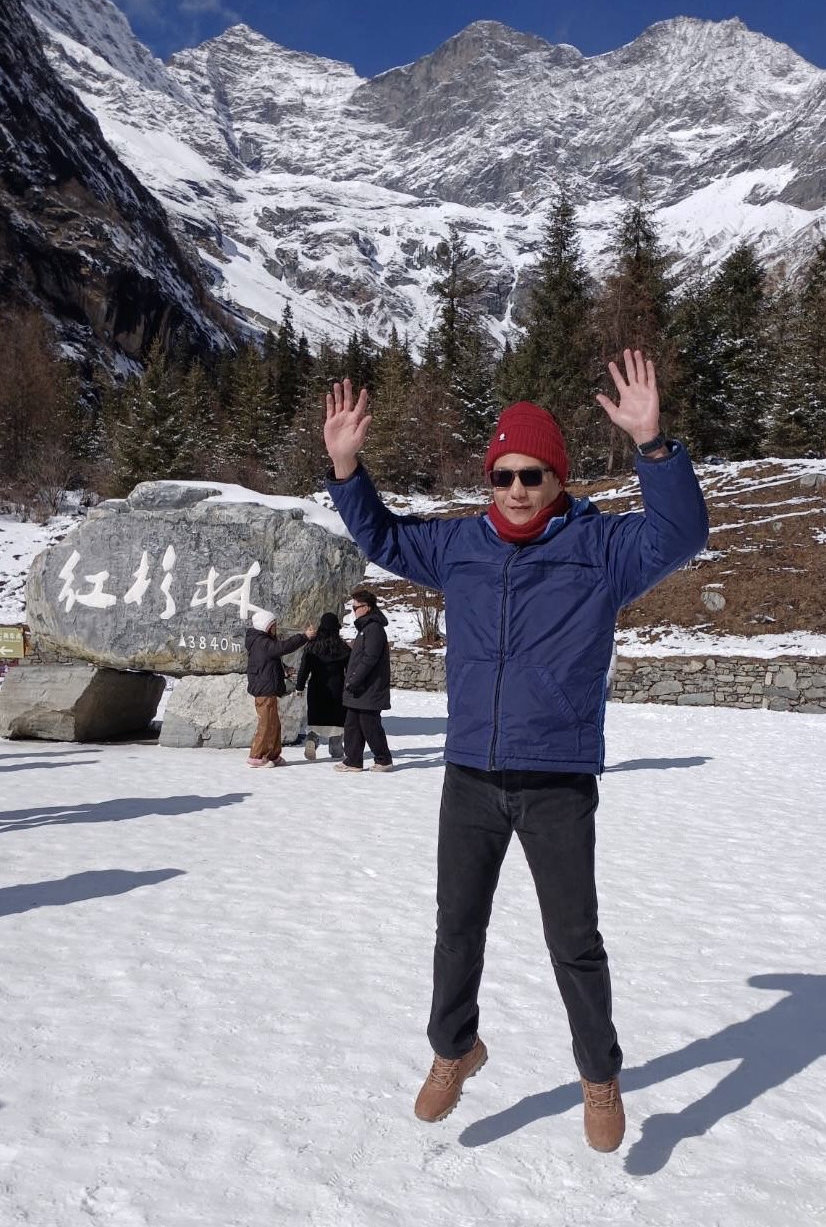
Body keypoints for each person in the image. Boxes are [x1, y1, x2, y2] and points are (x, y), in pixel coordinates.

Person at [323, 350, 709, 1152]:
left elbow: (681, 532)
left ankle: (599, 1073)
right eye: (503, 475)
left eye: (534, 474)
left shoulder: (601, 549)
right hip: (470, 773)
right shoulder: (459, 546)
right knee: (456, 928)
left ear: (558, 476)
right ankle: (454, 1048)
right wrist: (347, 469)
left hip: (556, 778)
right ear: (489, 479)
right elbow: (381, 535)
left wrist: (653, 446)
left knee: (574, 940)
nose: (518, 488)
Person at [245, 609, 315, 768]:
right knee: (266, 724)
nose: (276, 628)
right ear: (266, 626)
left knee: (274, 724)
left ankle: (273, 754)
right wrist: (304, 637)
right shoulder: (262, 642)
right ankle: (256, 756)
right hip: (264, 689)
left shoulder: (261, 641)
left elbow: (269, 661)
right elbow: (282, 647)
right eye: (274, 625)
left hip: (268, 687)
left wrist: (284, 669)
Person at [334, 586, 393, 774]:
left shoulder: (374, 629)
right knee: (352, 724)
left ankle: (383, 759)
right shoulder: (365, 628)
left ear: (367, 607)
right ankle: (353, 760)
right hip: (359, 689)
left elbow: (369, 659)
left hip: (369, 688)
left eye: (356, 607)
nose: (353, 611)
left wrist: (354, 680)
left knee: (370, 725)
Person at [294, 612, 350, 761]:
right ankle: (336, 749)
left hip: (317, 690)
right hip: (337, 690)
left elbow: (304, 669)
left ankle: (311, 741)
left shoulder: (312, 647)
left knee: (316, 721)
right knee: (337, 724)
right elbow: (350, 670)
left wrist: (299, 687)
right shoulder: (343, 648)